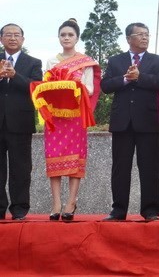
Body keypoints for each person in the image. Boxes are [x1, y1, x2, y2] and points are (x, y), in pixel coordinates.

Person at [101, 22, 159, 221]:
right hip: (122, 122)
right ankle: (118, 210)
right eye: (140, 34)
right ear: (129, 38)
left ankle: (151, 210)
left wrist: (139, 77)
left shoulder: (158, 61)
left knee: (150, 167)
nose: (145, 38)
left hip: (147, 121)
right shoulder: (115, 61)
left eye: (147, 34)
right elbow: (105, 85)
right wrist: (125, 79)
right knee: (120, 168)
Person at [42, 19, 101, 221]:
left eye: (70, 35)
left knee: (75, 160)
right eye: (63, 35)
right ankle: (56, 202)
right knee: (54, 157)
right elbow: (45, 86)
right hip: (56, 116)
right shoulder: (51, 62)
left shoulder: (86, 61)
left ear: (77, 38)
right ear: (59, 38)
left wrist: (70, 86)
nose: (66, 38)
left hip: (75, 115)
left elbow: (90, 88)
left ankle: (71, 202)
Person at [0, 24, 43, 221]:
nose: (12, 38)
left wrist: (15, 76)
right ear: (1, 39)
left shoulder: (33, 62)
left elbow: (36, 88)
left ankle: (19, 209)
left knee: (21, 168)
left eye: (16, 35)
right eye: (8, 35)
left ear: (23, 40)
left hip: (20, 123)